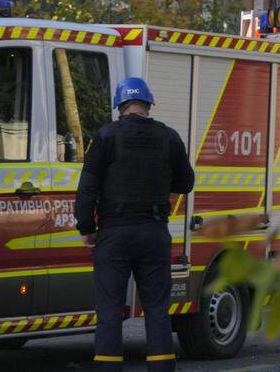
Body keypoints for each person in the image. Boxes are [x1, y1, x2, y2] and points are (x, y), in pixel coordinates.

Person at [76, 77, 195, 371]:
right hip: (154, 232)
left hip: (114, 233)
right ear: (148, 103)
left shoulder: (105, 137)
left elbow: (87, 188)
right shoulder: (169, 137)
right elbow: (186, 182)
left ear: (121, 105)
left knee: (110, 309)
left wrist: (86, 229)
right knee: (156, 309)